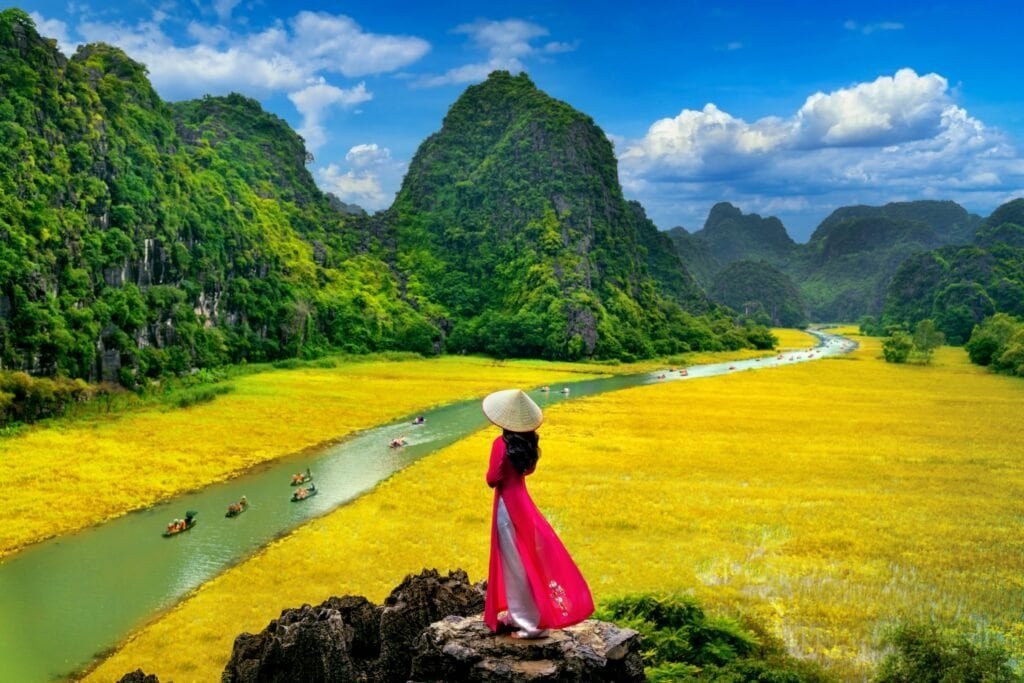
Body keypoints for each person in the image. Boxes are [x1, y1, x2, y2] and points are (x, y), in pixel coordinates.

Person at [481, 389, 594, 640]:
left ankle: (531, 624)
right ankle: (519, 612)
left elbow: (492, 479)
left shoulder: (500, 444)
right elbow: (527, 471)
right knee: (526, 560)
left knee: (515, 564)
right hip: (524, 505)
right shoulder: (529, 443)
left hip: (507, 508)